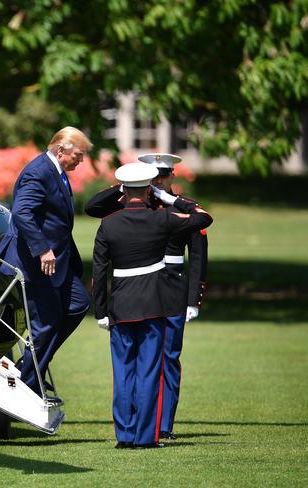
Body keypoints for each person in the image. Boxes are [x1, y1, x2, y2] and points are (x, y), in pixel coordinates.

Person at [85, 153, 209, 439]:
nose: (158, 180)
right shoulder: (154, 213)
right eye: (152, 177)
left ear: (170, 177)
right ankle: (147, 430)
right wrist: (127, 187)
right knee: (150, 366)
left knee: (166, 360)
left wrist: (193, 298)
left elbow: (198, 253)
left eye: (162, 175)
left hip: (171, 289)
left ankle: (159, 426)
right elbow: (92, 206)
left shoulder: (168, 209)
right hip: (149, 293)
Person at [0, 127, 93, 404]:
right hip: (36, 263)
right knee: (46, 325)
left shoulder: (56, 171)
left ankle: (29, 369)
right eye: (78, 155)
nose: (81, 161)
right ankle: (27, 385)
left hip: (57, 263)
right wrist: (43, 250)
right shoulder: (39, 171)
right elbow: (22, 212)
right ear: (61, 150)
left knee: (77, 304)